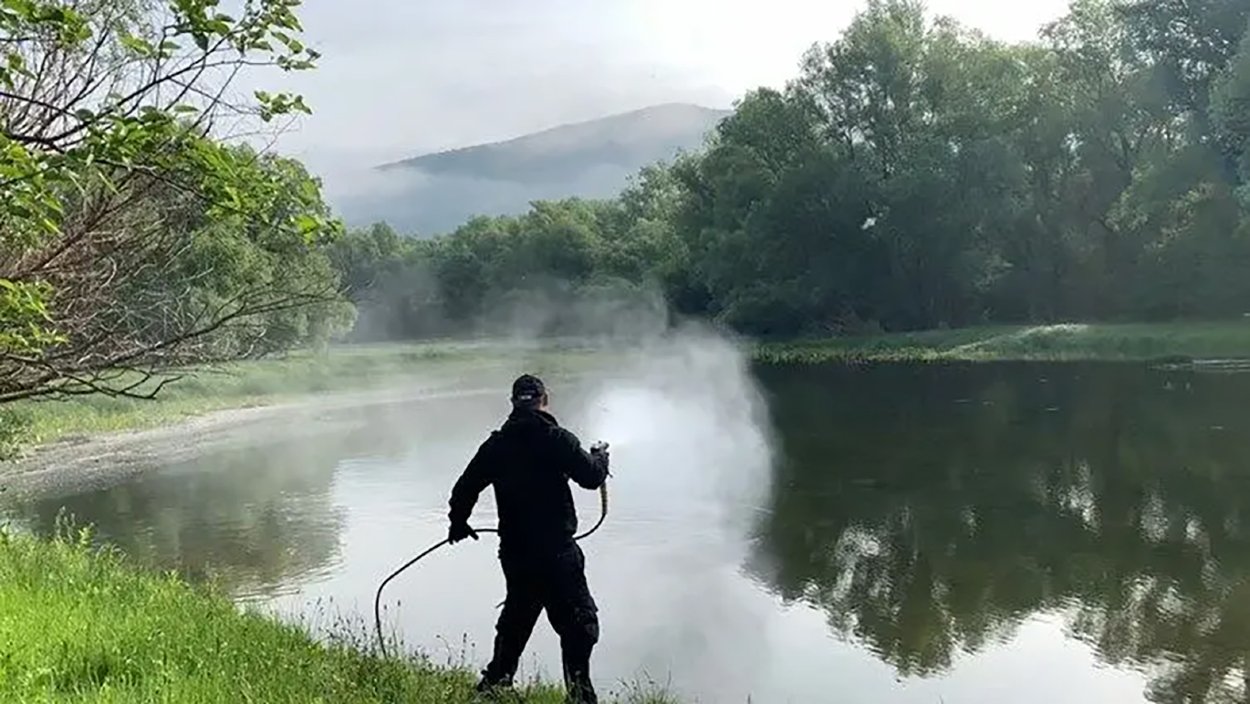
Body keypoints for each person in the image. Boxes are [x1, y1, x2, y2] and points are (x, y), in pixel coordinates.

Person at [447, 373, 610, 704]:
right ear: (543, 400)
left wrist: (458, 523)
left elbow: (464, 488)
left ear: (512, 402)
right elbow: (591, 478)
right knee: (580, 623)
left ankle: (495, 684)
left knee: (518, 618)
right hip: (557, 553)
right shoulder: (557, 439)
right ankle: (579, 696)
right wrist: (601, 459)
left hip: (516, 553)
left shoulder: (496, 445)